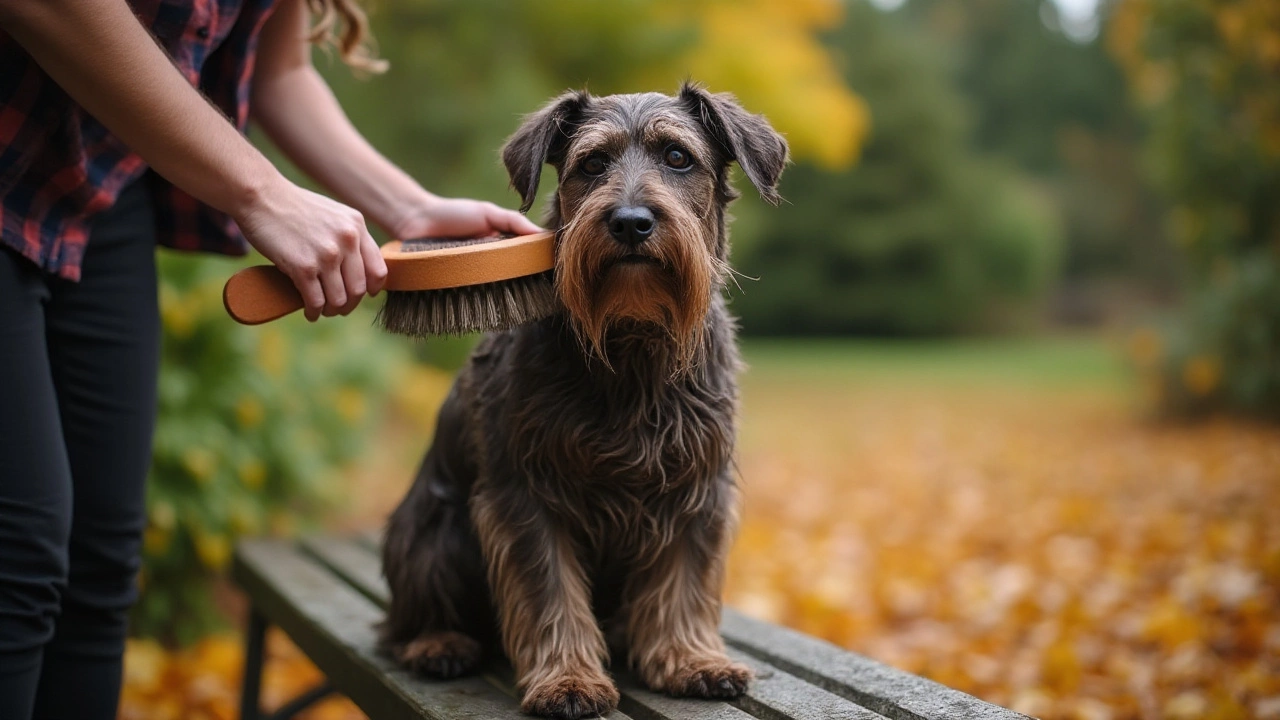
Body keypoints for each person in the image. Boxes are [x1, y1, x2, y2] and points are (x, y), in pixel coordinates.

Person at [0, 0, 540, 716]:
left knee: (98, 569)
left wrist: (407, 208)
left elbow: (279, 73)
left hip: (98, 191)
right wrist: (261, 192)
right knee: (19, 559)